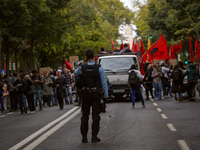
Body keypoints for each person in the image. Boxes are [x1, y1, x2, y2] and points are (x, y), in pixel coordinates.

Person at [74, 49, 108, 143]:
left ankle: (84, 137)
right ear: (94, 57)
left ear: (86, 57)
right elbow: (104, 82)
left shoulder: (82, 67)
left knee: (85, 115)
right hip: (96, 94)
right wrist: (105, 95)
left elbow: (75, 74)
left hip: (85, 95)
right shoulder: (99, 67)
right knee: (95, 115)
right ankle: (94, 136)